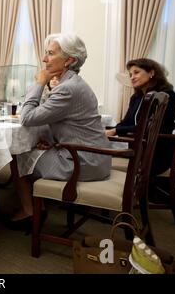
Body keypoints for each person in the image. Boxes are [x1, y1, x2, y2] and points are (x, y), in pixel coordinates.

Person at [10, 33, 111, 227]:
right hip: (95, 157)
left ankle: (29, 210)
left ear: (69, 60)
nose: (44, 59)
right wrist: (51, 141)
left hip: (83, 162)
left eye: (50, 53)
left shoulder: (67, 88)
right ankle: (39, 201)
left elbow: (27, 117)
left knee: (18, 153)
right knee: (31, 149)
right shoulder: (72, 84)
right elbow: (63, 121)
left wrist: (40, 82)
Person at [105, 58, 175, 196]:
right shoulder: (137, 97)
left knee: (102, 159)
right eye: (130, 74)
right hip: (138, 149)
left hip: (157, 153)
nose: (132, 77)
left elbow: (150, 128)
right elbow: (125, 123)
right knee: (100, 153)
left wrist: (115, 131)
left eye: (136, 72)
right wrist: (110, 130)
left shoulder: (167, 96)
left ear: (151, 73)